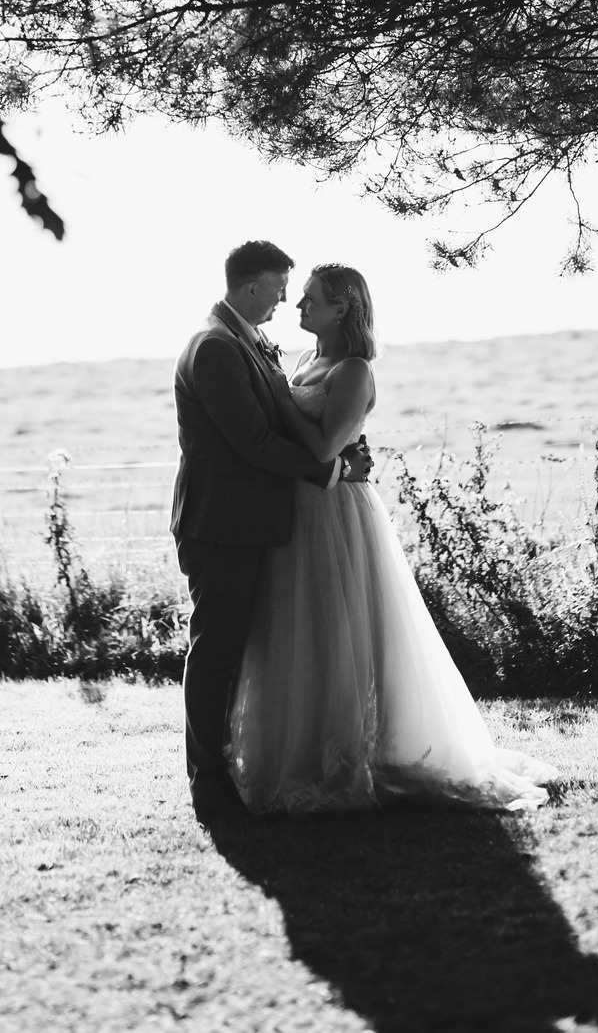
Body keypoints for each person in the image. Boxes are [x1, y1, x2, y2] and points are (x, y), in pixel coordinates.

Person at [228, 263, 559, 815]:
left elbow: (327, 448)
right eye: (300, 298)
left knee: (343, 630)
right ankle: (305, 747)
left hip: (336, 511)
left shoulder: (354, 369)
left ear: (343, 309)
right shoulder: (309, 359)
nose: (298, 307)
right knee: (302, 630)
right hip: (299, 510)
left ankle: (353, 752)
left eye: (310, 300)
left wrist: (286, 405)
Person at [172, 241, 372, 822]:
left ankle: (240, 762)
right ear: (254, 285)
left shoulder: (241, 341)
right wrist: (332, 469)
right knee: (217, 649)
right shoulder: (215, 347)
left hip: (250, 520)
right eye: (282, 287)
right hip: (222, 522)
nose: (287, 300)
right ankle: (208, 782)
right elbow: (253, 443)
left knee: (244, 647)